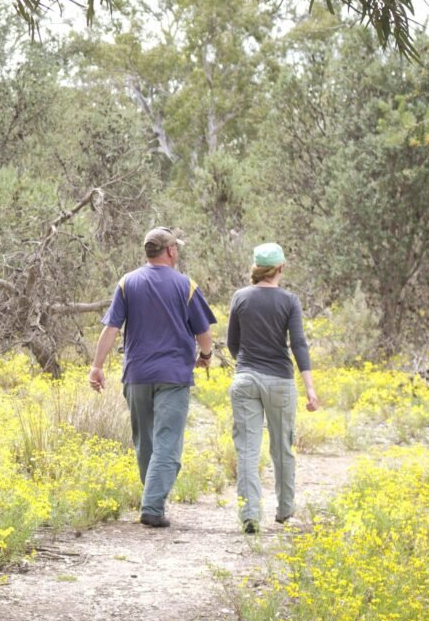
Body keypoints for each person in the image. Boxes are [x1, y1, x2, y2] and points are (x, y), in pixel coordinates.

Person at [89, 226, 216, 529]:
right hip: (173, 375)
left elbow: (111, 328)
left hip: (137, 374)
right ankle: (153, 505)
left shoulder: (127, 283)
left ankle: (152, 499)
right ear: (171, 251)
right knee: (167, 442)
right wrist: (206, 356)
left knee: (144, 441)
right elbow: (203, 333)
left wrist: (96, 365)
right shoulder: (185, 285)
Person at [225, 242, 319, 534]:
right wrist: (310, 388)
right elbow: (298, 344)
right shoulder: (289, 301)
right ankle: (285, 509)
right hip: (279, 380)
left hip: (246, 379)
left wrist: (245, 363)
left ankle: (250, 514)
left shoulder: (240, 297)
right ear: (280, 267)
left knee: (247, 451)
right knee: (282, 447)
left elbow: (232, 343)